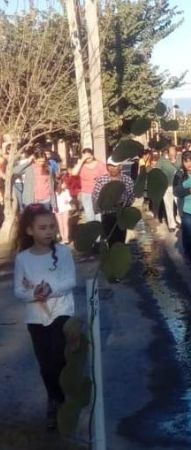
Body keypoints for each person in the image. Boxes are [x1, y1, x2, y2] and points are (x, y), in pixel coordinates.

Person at [14, 204, 76, 430]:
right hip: (36, 318)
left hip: (61, 312)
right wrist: (34, 293)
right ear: (30, 231)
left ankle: (61, 400)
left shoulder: (63, 252)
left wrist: (50, 289)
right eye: (42, 228)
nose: (48, 231)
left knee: (59, 358)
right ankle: (55, 399)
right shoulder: (23, 259)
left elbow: (70, 281)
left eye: (51, 226)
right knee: (45, 364)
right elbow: (18, 291)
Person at [92, 156, 135, 250]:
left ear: (120, 167)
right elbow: (96, 196)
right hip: (107, 215)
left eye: (114, 166)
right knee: (109, 241)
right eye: (109, 166)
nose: (111, 168)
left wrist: (124, 204)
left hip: (122, 216)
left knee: (120, 241)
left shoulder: (127, 180)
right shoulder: (102, 180)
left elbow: (131, 196)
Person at [71, 148, 107, 222]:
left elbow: (106, 177)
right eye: (85, 157)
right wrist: (81, 161)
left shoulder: (99, 164)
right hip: (86, 193)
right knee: (89, 215)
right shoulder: (81, 166)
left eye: (89, 156)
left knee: (98, 215)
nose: (87, 159)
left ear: (92, 155)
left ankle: (99, 232)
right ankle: (92, 231)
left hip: (98, 193)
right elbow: (74, 173)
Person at [157, 145, 181, 231]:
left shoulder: (179, 157)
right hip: (166, 186)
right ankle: (171, 224)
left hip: (177, 185)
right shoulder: (162, 160)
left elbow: (181, 168)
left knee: (179, 203)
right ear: (167, 152)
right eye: (171, 151)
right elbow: (157, 171)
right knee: (168, 205)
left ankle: (179, 219)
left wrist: (174, 162)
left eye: (174, 151)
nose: (173, 153)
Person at [54, 175, 72, 244]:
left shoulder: (65, 191)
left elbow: (69, 198)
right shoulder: (54, 192)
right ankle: (63, 238)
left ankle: (66, 238)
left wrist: (67, 200)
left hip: (65, 208)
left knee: (65, 224)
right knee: (60, 224)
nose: (64, 184)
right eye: (62, 183)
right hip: (57, 209)